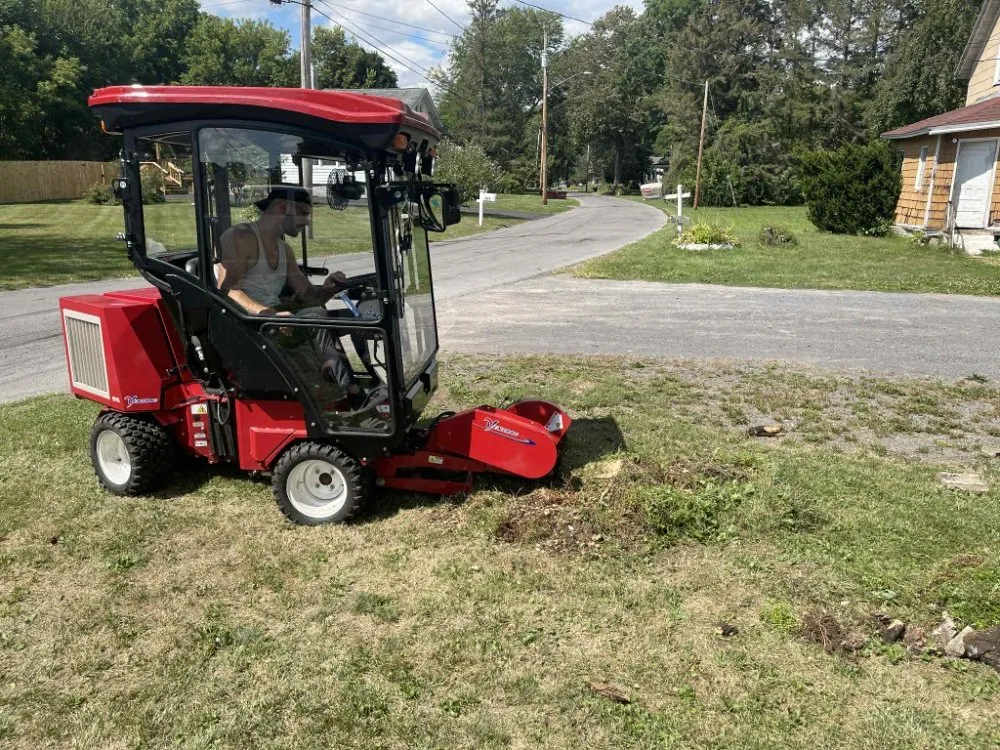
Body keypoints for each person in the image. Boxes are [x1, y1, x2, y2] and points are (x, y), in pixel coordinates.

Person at [216, 186, 372, 409]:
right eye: (303, 213)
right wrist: (269, 314)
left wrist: (329, 288)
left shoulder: (284, 250)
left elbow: (310, 297)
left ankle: (369, 385)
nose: (306, 221)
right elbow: (228, 290)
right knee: (317, 316)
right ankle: (352, 395)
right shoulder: (242, 237)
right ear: (283, 207)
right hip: (250, 327)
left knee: (356, 318)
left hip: (279, 320)